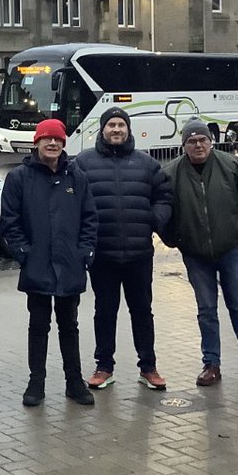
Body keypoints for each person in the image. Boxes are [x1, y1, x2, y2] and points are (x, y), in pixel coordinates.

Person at [161, 118, 238, 387]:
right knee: (206, 310)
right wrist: (176, 240)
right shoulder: (172, 174)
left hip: (231, 249)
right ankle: (211, 364)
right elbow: (163, 213)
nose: (198, 145)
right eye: (192, 141)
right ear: (184, 145)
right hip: (196, 254)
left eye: (202, 140)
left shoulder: (231, 165)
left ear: (211, 142)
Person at [0, 118, 98, 407]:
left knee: (70, 325)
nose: (52, 144)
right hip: (38, 265)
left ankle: (74, 382)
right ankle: (36, 382)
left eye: (57, 139)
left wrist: (85, 252)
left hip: (69, 265)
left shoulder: (76, 176)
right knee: (38, 325)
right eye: (47, 139)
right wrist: (24, 254)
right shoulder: (19, 177)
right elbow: (10, 222)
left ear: (64, 143)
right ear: (37, 142)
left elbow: (90, 218)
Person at [73, 107, 173, 391]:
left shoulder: (147, 164)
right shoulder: (83, 163)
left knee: (142, 310)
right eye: (111, 125)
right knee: (104, 311)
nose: (116, 130)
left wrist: (155, 220)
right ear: (102, 129)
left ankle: (148, 367)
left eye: (121, 125)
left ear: (128, 130)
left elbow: (164, 196)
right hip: (103, 253)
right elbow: (75, 201)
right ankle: (104, 366)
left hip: (139, 252)